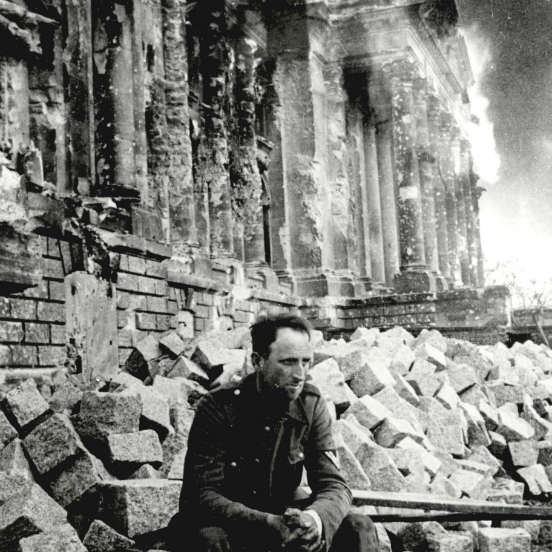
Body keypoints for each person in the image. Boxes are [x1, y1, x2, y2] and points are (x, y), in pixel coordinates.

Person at [168, 313, 379, 552]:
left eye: (305, 361)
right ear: (258, 361)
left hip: (284, 522)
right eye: (288, 362)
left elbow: (334, 484)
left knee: (359, 526)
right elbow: (202, 495)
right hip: (233, 525)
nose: (300, 374)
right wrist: (266, 523)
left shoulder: (310, 404)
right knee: (208, 539)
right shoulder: (218, 407)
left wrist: (314, 520)